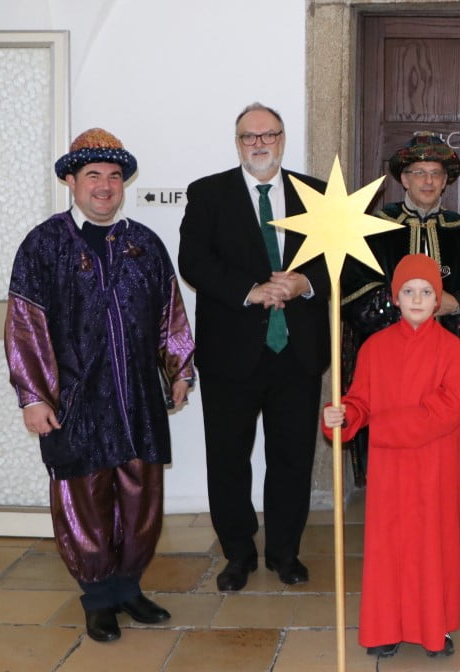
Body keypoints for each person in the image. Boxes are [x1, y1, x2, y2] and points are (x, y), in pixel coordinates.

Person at [4, 128, 195, 643]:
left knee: (141, 496)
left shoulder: (144, 244)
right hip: (74, 400)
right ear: (71, 181)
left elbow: (170, 314)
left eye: (113, 176)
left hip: (137, 397)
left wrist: (179, 369)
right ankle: (98, 597)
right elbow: (25, 326)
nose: (105, 186)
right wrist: (33, 396)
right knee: (84, 497)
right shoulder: (43, 245)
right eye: (93, 175)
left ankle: (129, 586)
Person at [178, 102, 330, 592]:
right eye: (249, 136)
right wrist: (251, 291)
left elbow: (342, 262)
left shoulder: (317, 195)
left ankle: (285, 553)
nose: (260, 144)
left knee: (292, 459)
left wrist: (305, 282)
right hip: (231, 354)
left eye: (269, 135)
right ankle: (238, 554)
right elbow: (193, 262)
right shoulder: (208, 194)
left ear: (283, 139)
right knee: (228, 459)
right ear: (238, 142)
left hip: (297, 353)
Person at [323, 254, 460, 659]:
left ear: (438, 299)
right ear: (395, 297)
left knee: (431, 546)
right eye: (408, 291)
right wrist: (344, 416)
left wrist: (382, 428)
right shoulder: (374, 348)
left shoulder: (457, 351)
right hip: (389, 472)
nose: (417, 299)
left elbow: (446, 411)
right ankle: (385, 626)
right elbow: (361, 400)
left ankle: (434, 628)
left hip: (433, 467)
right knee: (388, 546)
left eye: (426, 291)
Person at [341, 131, 460, 479]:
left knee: (441, 465)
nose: (428, 181)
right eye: (419, 173)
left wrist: (456, 305)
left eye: (435, 174)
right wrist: (409, 304)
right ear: (404, 179)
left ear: (445, 181)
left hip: (446, 368)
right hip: (390, 367)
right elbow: (353, 297)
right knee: (389, 466)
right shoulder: (375, 227)